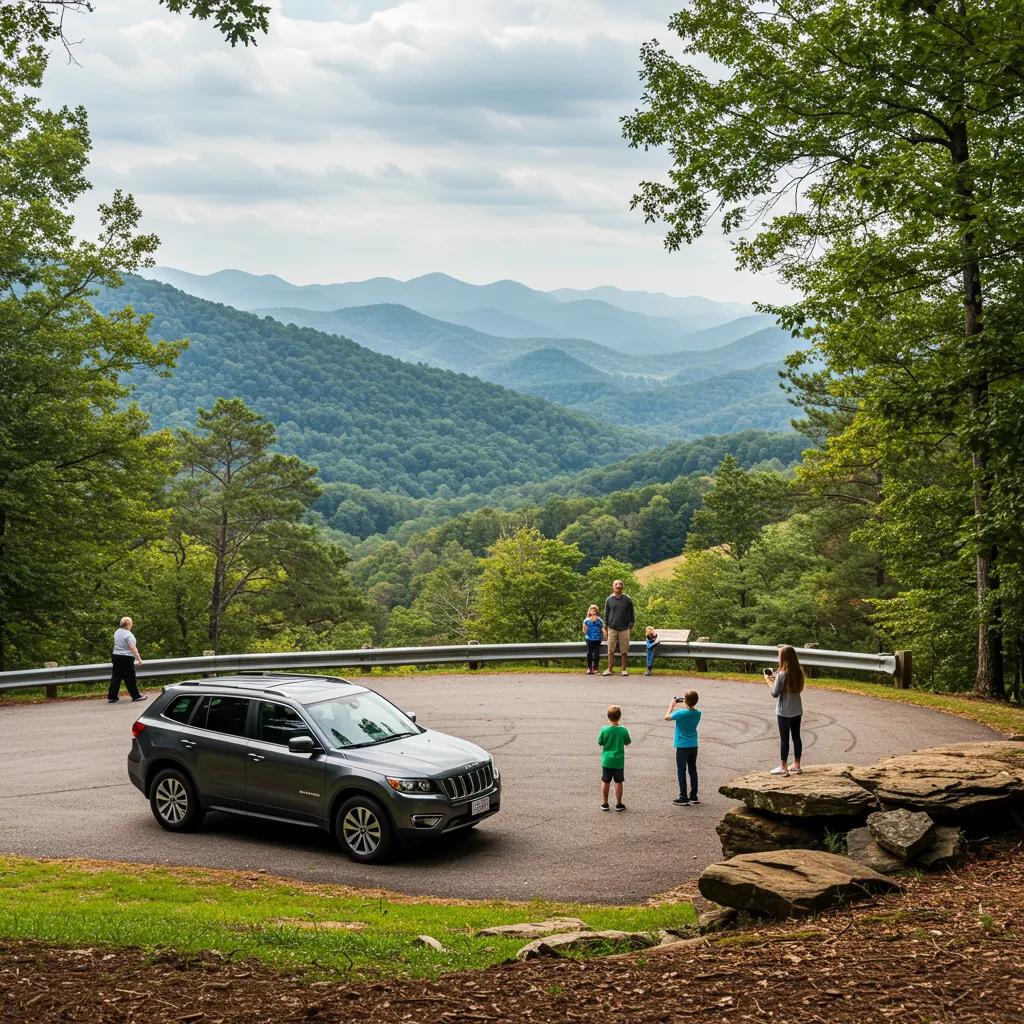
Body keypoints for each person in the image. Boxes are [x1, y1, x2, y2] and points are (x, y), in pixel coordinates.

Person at [765, 645, 805, 775]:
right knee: (796, 737)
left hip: (784, 711)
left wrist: (769, 681)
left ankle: (783, 766)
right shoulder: (798, 672)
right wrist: (776, 679)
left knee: (784, 739)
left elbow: (775, 693)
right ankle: (797, 764)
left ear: (783, 658)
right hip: (797, 709)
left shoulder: (782, 674)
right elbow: (797, 688)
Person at [665, 690, 701, 805]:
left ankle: (683, 796)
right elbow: (690, 710)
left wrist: (672, 705)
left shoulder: (680, 713)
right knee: (692, 769)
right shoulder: (698, 713)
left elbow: (667, 717)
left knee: (681, 771)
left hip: (682, 745)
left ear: (685, 700)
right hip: (693, 744)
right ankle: (694, 795)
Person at [597, 704, 630, 811]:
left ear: (608, 716)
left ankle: (605, 803)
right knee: (618, 782)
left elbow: (600, 742)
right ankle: (619, 803)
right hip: (618, 761)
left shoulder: (604, 729)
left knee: (605, 781)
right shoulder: (623, 730)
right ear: (620, 716)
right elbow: (627, 742)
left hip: (607, 760)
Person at [109, 616, 146, 704]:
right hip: (126, 658)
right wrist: (139, 659)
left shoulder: (117, 632)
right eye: (131, 623)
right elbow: (133, 648)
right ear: (128, 624)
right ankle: (136, 696)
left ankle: (112, 697)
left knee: (116, 677)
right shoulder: (128, 635)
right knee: (130, 677)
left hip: (116, 656)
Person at [602, 579, 635, 676]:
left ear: (622, 587)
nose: (618, 586)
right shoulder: (609, 599)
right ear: (613, 587)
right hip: (612, 628)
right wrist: (605, 627)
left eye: (620, 584)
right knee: (610, 650)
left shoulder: (627, 599)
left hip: (624, 628)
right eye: (616, 585)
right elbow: (606, 614)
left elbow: (631, 613)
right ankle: (610, 669)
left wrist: (631, 624)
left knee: (624, 650)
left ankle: (624, 670)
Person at [582, 604, 605, 675]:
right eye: (590, 613)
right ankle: (589, 668)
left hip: (597, 639)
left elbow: (603, 629)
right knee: (589, 653)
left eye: (594, 613)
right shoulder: (586, 620)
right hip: (589, 639)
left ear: (596, 613)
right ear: (589, 613)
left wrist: (604, 636)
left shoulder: (600, 620)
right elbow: (584, 631)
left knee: (596, 654)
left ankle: (595, 668)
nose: (592, 614)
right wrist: (585, 628)